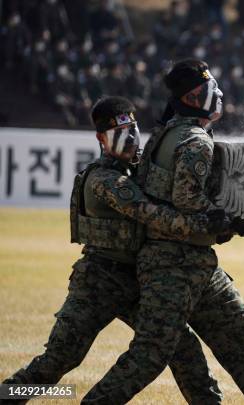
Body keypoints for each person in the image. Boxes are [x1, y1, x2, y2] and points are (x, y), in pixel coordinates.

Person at [83, 59, 244, 404]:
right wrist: (230, 220)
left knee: (243, 340)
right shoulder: (194, 140)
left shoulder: (168, 133)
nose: (219, 94)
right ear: (196, 97)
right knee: (151, 354)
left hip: (193, 262)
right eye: (211, 88)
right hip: (173, 267)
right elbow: (186, 197)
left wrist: (231, 218)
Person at [0, 96, 226, 404]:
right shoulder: (103, 179)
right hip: (99, 282)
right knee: (57, 363)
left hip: (136, 280)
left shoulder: (141, 169)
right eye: (121, 132)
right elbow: (152, 214)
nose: (132, 138)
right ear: (101, 139)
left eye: (133, 129)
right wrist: (208, 223)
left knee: (180, 346)